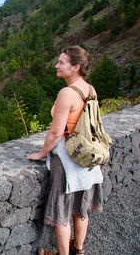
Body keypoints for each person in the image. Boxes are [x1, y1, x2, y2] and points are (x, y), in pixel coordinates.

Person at [27, 46, 104, 255]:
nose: (56, 65)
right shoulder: (90, 89)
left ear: (76, 67)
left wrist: (41, 154)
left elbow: (55, 133)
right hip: (86, 155)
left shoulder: (66, 93)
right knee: (81, 210)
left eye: (61, 62)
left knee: (62, 212)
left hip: (67, 157)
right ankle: (78, 249)